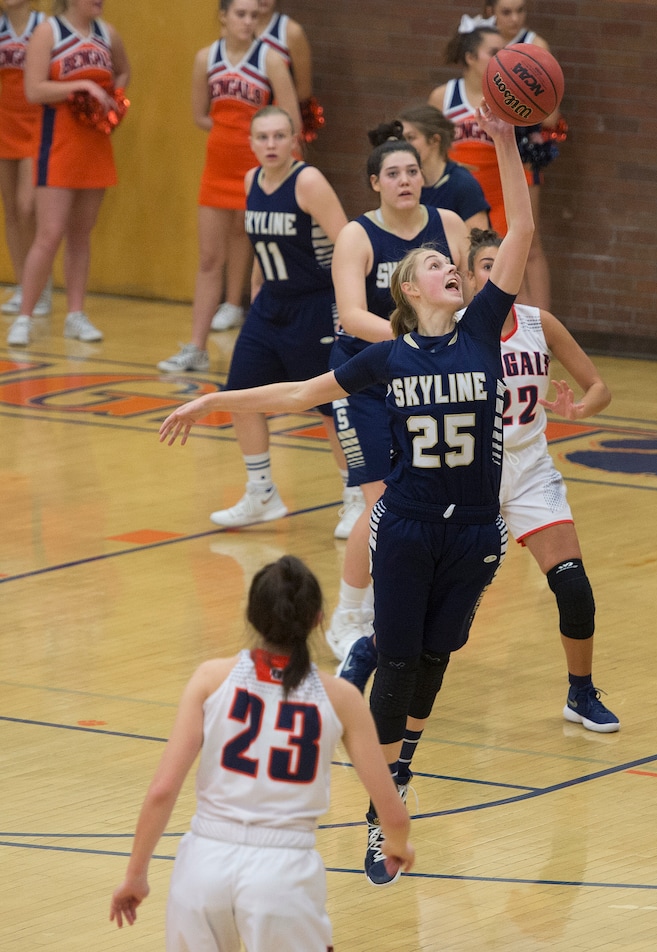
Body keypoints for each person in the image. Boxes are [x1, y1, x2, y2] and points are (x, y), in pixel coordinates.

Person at [158, 101, 534, 886]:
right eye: (434, 263)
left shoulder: (479, 328)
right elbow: (294, 394)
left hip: (474, 534)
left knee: (436, 661)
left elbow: (520, 235)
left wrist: (504, 146)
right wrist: (211, 401)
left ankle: (399, 764)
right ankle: (384, 796)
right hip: (406, 527)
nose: (449, 263)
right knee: (398, 664)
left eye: (452, 260)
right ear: (409, 288)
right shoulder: (388, 357)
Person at [340, 227, 620, 734]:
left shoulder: (539, 324)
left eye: (500, 264)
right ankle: (370, 653)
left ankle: (581, 692)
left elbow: (599, 386)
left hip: (530, 470)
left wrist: (578, 407)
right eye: (484, 267)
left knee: (573, 586)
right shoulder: (459, 328)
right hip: (466, 477)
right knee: (421, 607)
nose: (494, 275)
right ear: (470, 278)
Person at [109, 555, 413, 948]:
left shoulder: (210, 678)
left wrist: (135, 874)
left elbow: (162, 790)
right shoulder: (341, 697)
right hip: (283, 875)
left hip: (203, 866)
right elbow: (391, 810)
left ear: (252, 617)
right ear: (318, 619)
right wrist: (397, 844)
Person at [324, 128, 472, 661]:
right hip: (364, 377)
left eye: (412, 171)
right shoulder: (357, 236)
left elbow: (470, 291)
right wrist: (417, 337)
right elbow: (351, 315)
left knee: (420, 498)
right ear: (375, 184)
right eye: (393, 174)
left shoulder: (449, 224)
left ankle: (403, 611)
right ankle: (349, 615)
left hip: (424, 378)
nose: (405, 180)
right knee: (382, 503)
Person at [202, 105, 353, 537]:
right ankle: (262, 492)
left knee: (329, 405)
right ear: (251, 143)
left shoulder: (308, 181)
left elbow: (349, 243)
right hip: (270, 304)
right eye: (262, 137)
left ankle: (355, 496)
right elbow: (259, 241)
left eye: (278, 136)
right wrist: (255, 284)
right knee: (240, 395)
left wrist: (347, 305)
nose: (270, 144)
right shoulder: (251, 180)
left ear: (294, 141)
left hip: (315, 304)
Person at [157, 0, 300, 373]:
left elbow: (292, 121)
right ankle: (196, 347)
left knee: (266, 260)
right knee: (208, 259)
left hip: (260, 174)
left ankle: (271, 350)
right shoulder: (206, 57)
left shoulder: (269, 60)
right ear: (223, 16)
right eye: (241, 14)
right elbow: (200, 115)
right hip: (217, 170)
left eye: (254, 15)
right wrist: (232, 135)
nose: (248, 21)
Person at [6, 0, 129, 347]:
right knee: (50, 234)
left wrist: (111, 99)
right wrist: (81, 88)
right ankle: (25, 317)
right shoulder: (49, 32)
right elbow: (34, 89)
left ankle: (76, 315)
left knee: (80, 234)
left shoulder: (108, 33)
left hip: (95, 145)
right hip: (56, 145)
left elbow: (123, 71)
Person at [212, 0, 315, 332]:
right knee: (243, 226)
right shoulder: (217, 50)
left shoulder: (289, 32)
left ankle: (285, 303)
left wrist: (277, 134)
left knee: (277, 228)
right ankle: (234, 303)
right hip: (245, 147)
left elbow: (301, 93)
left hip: (278, 142)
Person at [483, 0, 563, 310]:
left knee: (529, 243)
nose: (515, 18)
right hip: (483, 157)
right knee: (488, 244)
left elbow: (552, 117)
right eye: (506, 11)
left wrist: (518, 105)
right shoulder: (480, 42)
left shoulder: (534, 45)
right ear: (490, 11)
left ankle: (541, 328)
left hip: (523, 153)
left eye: (520, 10)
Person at [428, 16, 506, 235]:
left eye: (504, 52)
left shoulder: (509, 98)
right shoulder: (443, 96)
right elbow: (428, 149)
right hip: (456, 195)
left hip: (500, 195)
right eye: (493, 53)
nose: (501, 59)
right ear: (470, 57)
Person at [0, 0, 52, 321]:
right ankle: (24, 286)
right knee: (11, 212)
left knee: (27, 206)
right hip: (4, 125)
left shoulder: (44, 26)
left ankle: (40, 287)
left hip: (37, 127)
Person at [395, 105, 490, 230]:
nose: (403, 144)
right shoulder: (402, 183)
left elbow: (480, 245)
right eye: (401, 139)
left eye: (410, 138)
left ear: (435, 140)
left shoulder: (463, 184)